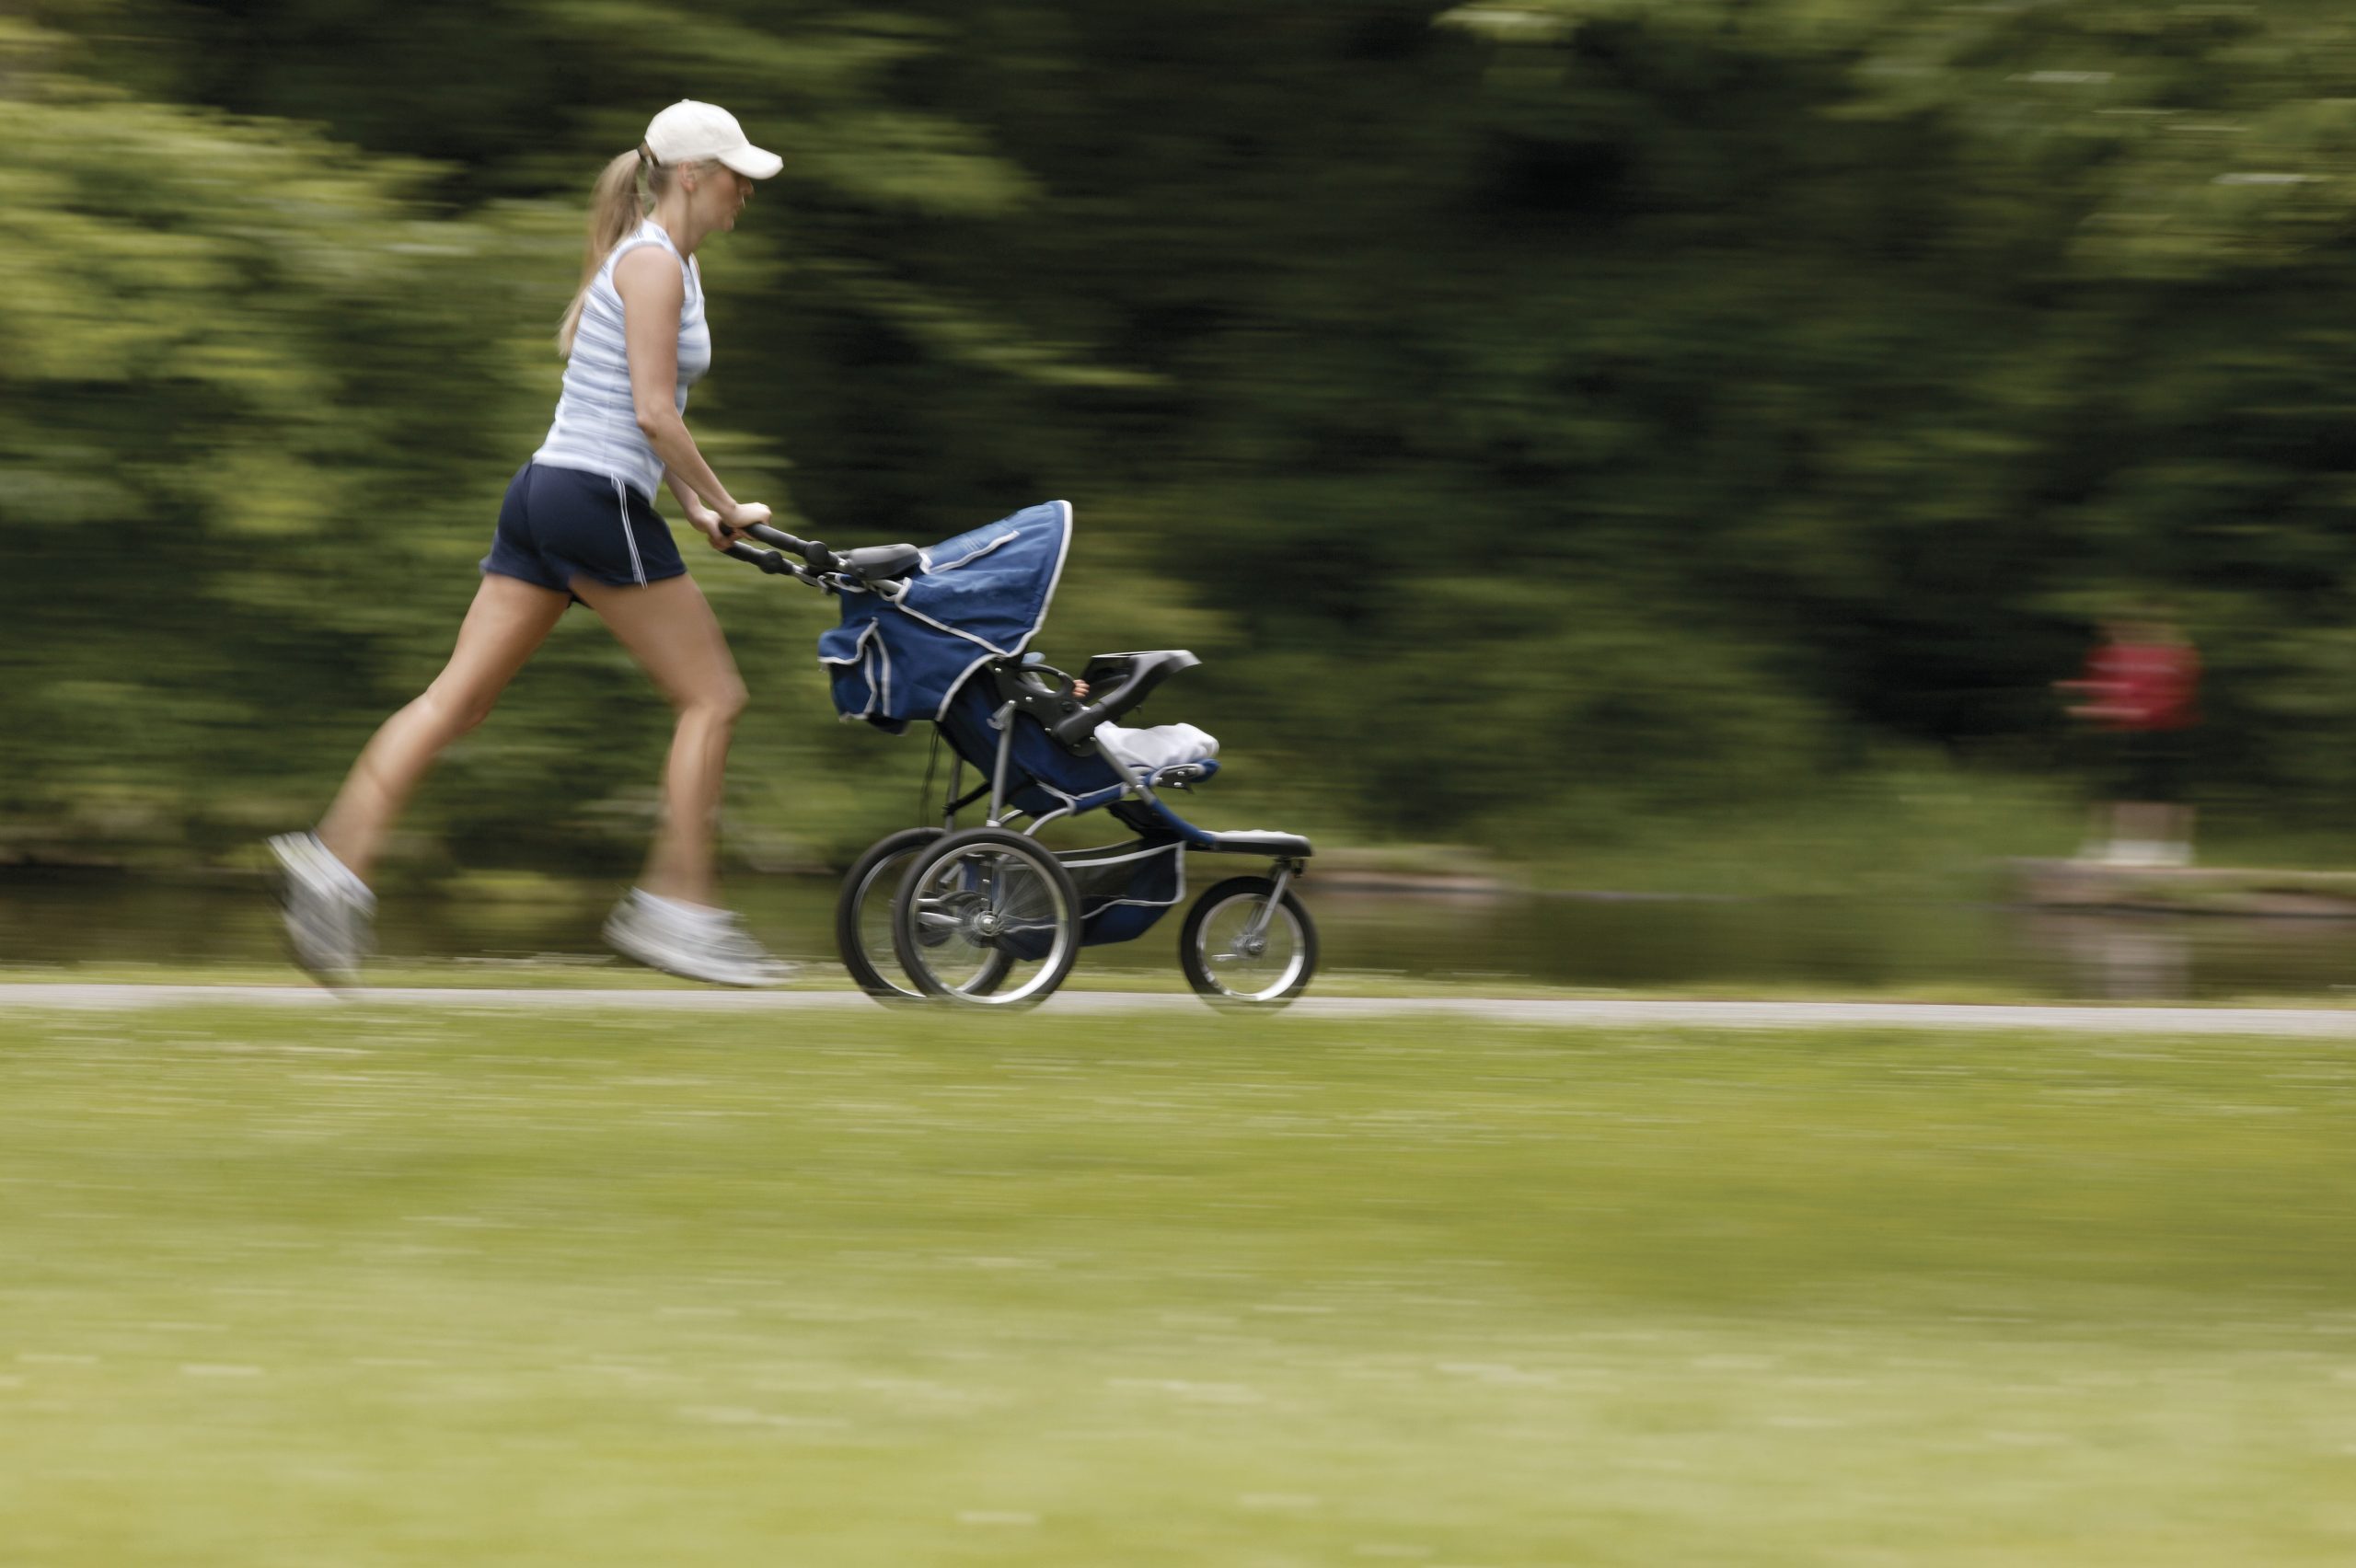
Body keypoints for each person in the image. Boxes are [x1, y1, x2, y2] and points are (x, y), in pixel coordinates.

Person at [269, 101, 792, 987]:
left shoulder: (665, 264)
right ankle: (680, 911)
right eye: (736, 173)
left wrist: (696, 512)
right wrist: (725, 500)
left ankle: (332, 865)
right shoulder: (657, 265)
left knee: (455, 703)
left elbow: (637, 413)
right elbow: (652, 413)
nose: (747, 189)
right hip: (591, 500)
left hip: (547, 494)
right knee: (713, 699)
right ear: (693, 176)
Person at [2058, 610, 2201, 867]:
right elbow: (2102, 688)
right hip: (2115, 729)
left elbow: (2180, 694)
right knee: (2111, 787)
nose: (2114, 631)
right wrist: (2086, 702)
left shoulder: (2179, 655)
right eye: (2110, 627)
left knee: (2161, 789)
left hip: (2165, 730)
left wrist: (2141, 711)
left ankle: (2172, 848)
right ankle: (2107, 845)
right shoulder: (2103, 655)